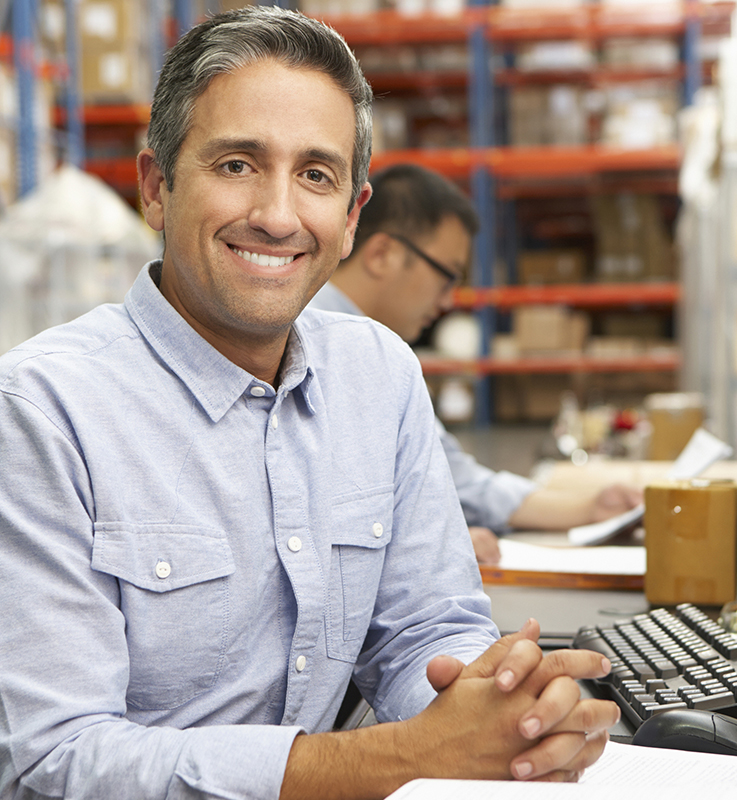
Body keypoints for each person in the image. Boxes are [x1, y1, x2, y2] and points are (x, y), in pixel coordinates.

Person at [0, 7, 619, 799]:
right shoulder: (44, 411)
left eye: (316, 176)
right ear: (156, 188)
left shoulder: (381, 377)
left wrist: (499, 711)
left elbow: (424, 628)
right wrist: (408, 757)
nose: (278, 214)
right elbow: (57, 761)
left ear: (354, 217)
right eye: (236, 165)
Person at [308, 164, 643, 564]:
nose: (449, 301)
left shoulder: (375, 354)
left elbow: (452, 478)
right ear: (382, 255)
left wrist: (588, 509)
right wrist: (426, 542)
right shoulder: (320, 344)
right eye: (447, 276)